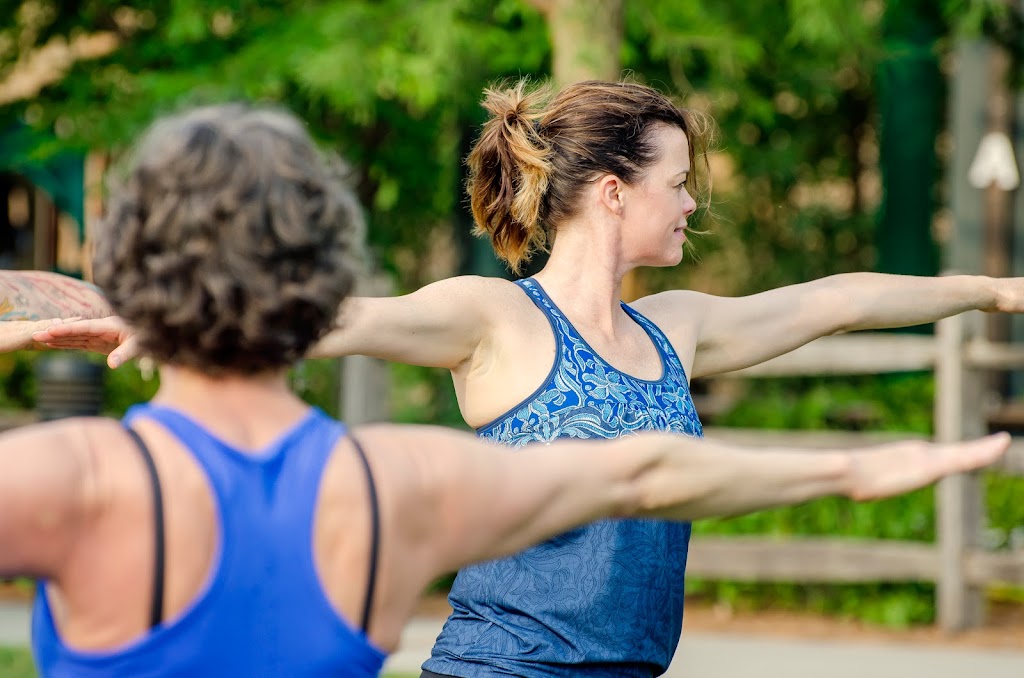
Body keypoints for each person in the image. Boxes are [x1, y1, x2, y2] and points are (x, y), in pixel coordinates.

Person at [17, 79, 1024, 677]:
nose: (689, 209)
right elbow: (346, 318)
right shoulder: (496, 317)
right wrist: (156, 320)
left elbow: (838, 300)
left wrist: (992, 291)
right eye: (676, 187)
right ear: (616, 192)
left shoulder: (680, 331)